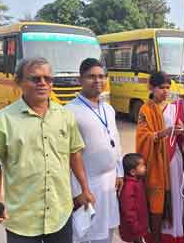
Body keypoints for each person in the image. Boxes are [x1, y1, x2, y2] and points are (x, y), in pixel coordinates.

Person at [0, 57, 95, 243]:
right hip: (23, 218)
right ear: (19, 82)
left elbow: (75, 154)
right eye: (35, 79)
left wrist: (85, 188)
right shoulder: (3, 120)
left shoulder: (65, 116)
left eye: (48, 79)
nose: (43, 83)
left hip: (60, 213)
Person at [66, 58, 123, 243]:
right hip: (88, 185)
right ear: (80, 80)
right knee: (87, 234)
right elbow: (68, 156)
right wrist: (77, 191)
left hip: (109, 183)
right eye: (91, 77)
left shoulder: (108, 109)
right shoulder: (70, 111)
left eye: (101, 76)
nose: (97, 80)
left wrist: (119, 172)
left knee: (107, 232)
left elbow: (116, 141)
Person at [136, 71, 184, 243]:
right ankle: (155, 238)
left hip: (173, 160)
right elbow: (143, 136)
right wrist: (164, 133)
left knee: (175, 199)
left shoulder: (174, 107)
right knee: (155, 202)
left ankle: (173, 235)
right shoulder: (145, 110)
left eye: (168, 87)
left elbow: (181, 133)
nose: (165, 91)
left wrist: (180, 129)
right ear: (152, 88)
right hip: (155, 161)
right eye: (161, 88)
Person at [119, 153, 148, 243]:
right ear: (133, 172)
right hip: (133, 229)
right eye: (142, 165)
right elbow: (128, 209)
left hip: (139, 228)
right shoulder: (129, 187)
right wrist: (135, 227)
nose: (145, 167)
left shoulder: (138, 181)